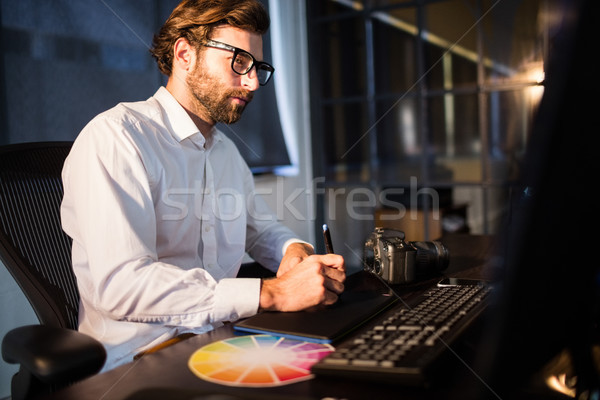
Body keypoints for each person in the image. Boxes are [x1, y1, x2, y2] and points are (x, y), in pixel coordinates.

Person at [60, 0, 345, 372]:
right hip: (138, 365)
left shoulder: (225, 152)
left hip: (221, 343)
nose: (253, 81)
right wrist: (271, 292)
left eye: (258, 67)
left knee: (344, 369)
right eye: (239, 61)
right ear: (184, 54)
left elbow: (260, 230)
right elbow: (122, 285)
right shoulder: (117, 138)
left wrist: (292, 250)